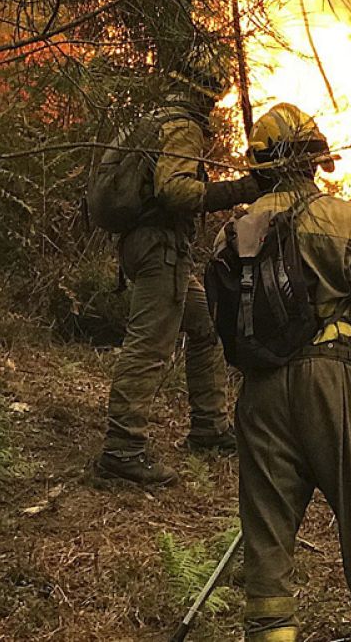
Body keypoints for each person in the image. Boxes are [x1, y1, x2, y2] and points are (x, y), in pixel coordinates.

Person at [229, 103, 351, 642]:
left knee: (266, 538)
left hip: (260, 394)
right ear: (315, 160)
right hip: (330, 382)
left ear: (262, 167)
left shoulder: (239, 230)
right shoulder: (348, 221)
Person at [93, 74, 263, 487]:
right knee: (149, 345)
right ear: (206, 91)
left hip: (147, 247)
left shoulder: (152, 118)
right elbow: (175, 193)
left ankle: (209, 426)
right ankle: (122, 449)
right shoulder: (183, 125)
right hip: (160, 251)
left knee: (206, 329)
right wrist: (241, 189)